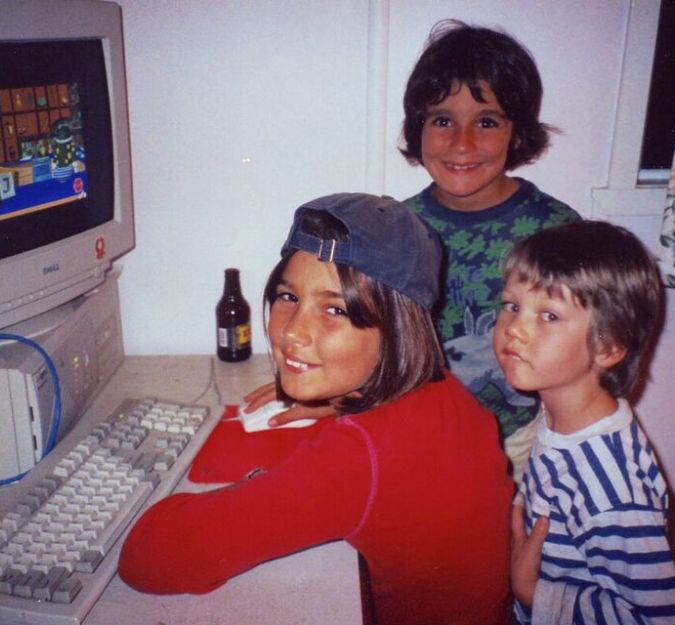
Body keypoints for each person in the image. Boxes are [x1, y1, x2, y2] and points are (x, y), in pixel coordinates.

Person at [119, 193, 514, 625]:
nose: (293, 334)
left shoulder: (356, 460)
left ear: (400, 327)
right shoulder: (443, 390)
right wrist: (343, 402)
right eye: (288, 297)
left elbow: (147, 560)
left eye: (334, 309)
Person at [246, 20, 580, 480]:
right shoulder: (390, 229)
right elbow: (368, 338)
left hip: (513, 448)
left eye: (486, 122)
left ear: (517, 133)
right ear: (416, 128)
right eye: (442, 120)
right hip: (407, 431)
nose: (462, 143)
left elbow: (587, 355)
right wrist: (334, 390)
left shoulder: (559, 232)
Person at [496, 221, 675, 624]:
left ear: (609, 347)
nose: (515, 328)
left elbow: (658, 618)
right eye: (512, 305)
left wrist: (531, 592)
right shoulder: (561, 416)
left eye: (548, 314)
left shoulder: (612, 488)